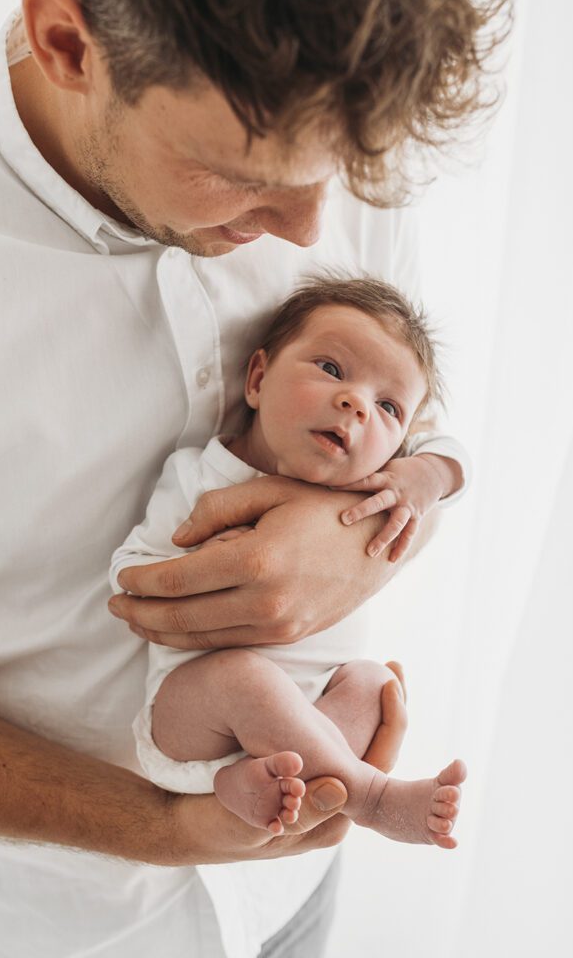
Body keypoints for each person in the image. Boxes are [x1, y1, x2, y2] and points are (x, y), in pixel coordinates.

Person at [0, 0, 508, 956]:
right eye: (237, 176)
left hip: (294, 897)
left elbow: (423, 426)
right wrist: (162, 828)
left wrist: (356, 540)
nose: (308, 226)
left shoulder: (333, 109)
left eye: (336, 169)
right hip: (63, 925)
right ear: (66, 42)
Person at [110, 274, 469, 845]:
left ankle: (256, 787)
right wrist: (201, 567)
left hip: (316, 720)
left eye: (389, 407)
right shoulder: (201, 477)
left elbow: (451, 456)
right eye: (331, 369)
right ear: (257, 379)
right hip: (193, 716)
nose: (355, 404)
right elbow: (128, 573)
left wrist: (426, 475)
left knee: (376, 684)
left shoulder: (372, 490)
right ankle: (368, 795)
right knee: (242, 677)